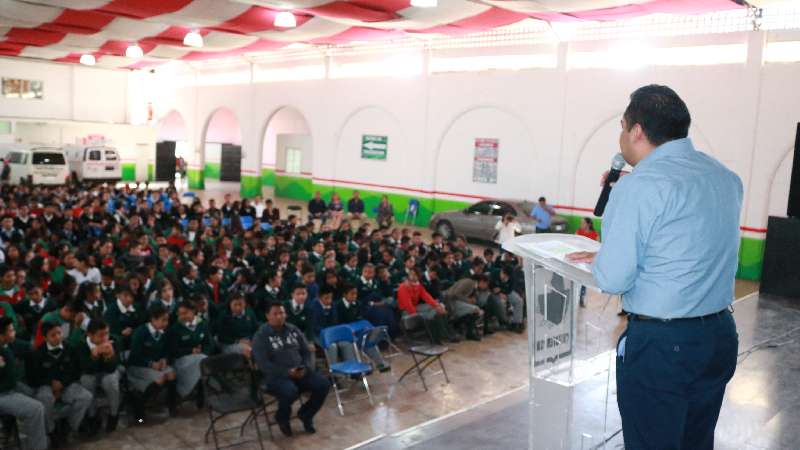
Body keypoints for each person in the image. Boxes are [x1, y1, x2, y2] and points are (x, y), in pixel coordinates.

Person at [567, 85, 742, 450]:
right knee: (695, 441)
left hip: (664, 347)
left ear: (637, 131)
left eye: (622, 126)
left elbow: (613, 278)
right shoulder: (724, 177)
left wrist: (619, 210)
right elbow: (686, 241)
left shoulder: (639, 187)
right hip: (718, 336)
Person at [252, 303, 330, 437]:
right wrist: (286, 372)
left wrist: (305, 367)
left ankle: (306, 414)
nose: (279, 317)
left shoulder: (293, 329)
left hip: (300, 372)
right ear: (267, 316)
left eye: (282, 313)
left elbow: (306, 351)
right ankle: (282, 417)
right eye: (275, 314)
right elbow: (263, 364)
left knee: (323, 384)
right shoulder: (261, 336)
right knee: (290, 392)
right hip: (276, 376)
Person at [26, 321, 94, 446]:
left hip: (66, 384)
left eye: (59, 333)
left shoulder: (69, 349)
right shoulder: (37, 353)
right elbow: (33, 378)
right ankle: (51, 432)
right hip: (46, 386)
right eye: (53, 335)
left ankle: (69, 427)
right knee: (44, 398)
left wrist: (63, 383)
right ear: (45, 337)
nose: (58, 337)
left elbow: (76, 371)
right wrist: (51, 384)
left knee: (85, 397)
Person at [0, 317, 48, 450]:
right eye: (11, 330)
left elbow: (27, 346)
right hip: (4, 394)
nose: (14, 332)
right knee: (35, 408)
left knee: (37, 395)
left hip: (12, 387)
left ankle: (48, 434)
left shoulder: (8, 345)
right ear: (2, 335)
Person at [127, 304, 178, 423]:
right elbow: (134, 356)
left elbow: (166, 351)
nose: (166, 323)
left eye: (167, 320)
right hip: (139, 366)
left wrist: (164, 359)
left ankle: (171, 406)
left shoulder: (164, 332)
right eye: (163, 320)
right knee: (160, 378)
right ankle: (139, 408)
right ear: (153, 320)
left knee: (171, 374)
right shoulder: (141, 332)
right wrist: (150, 364)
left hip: (156, 365)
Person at [77, 319, 122, 433]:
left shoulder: (114, 340)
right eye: (100, 335)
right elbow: (84, 368)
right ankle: (92, 416)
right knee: (86, 380)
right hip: (90, 373)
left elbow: (112, 368)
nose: (105, 338)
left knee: (110, 381)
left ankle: (114, 414)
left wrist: (109, 356)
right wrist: (94, 357)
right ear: (89, 335)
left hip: (108, 373)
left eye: (106, 333)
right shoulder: (81, 344)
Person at [166, 301, 211, 405]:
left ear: (193, 311)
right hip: (181, 360)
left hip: (200, 357)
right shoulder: (175, 329)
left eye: (185, 313)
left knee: (203, 361)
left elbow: (208, 343)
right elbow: (173, 351)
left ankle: (201, 394)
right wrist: (191, 351)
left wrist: (203, 352)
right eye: (180, 313)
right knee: (202, 362)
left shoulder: (202, 324)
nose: (182, 316)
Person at [397, 269, 449, 345]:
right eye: (411, 274)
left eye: (415, 274)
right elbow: (408, 305)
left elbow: (426, 296)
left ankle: (440, 336)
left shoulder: (418, 285)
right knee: (433, 314)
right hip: (407, 311)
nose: (412, 276)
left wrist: (437, 305)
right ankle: (436, 338)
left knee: (437, 308)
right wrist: (418, 316)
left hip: (416, 307)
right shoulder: (403, 287)